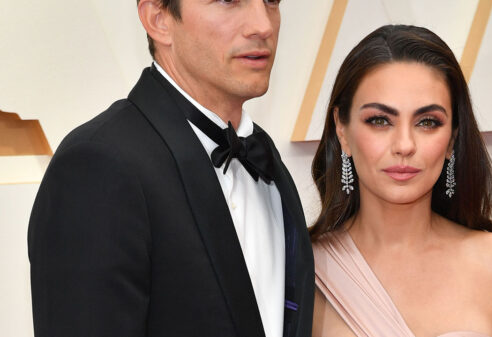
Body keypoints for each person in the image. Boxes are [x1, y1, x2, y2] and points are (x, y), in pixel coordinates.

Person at [27, 0, 314, 336]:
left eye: (271, 1)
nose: (263, 25)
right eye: (229, 1)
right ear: (158, 18)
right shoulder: (98, 165)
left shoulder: (264, 158)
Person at [310, 25, 492, 337]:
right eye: (380, 121)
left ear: (452, 138)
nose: (404, 145)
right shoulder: (303, 268)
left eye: (428, 122)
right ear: (342, 128)